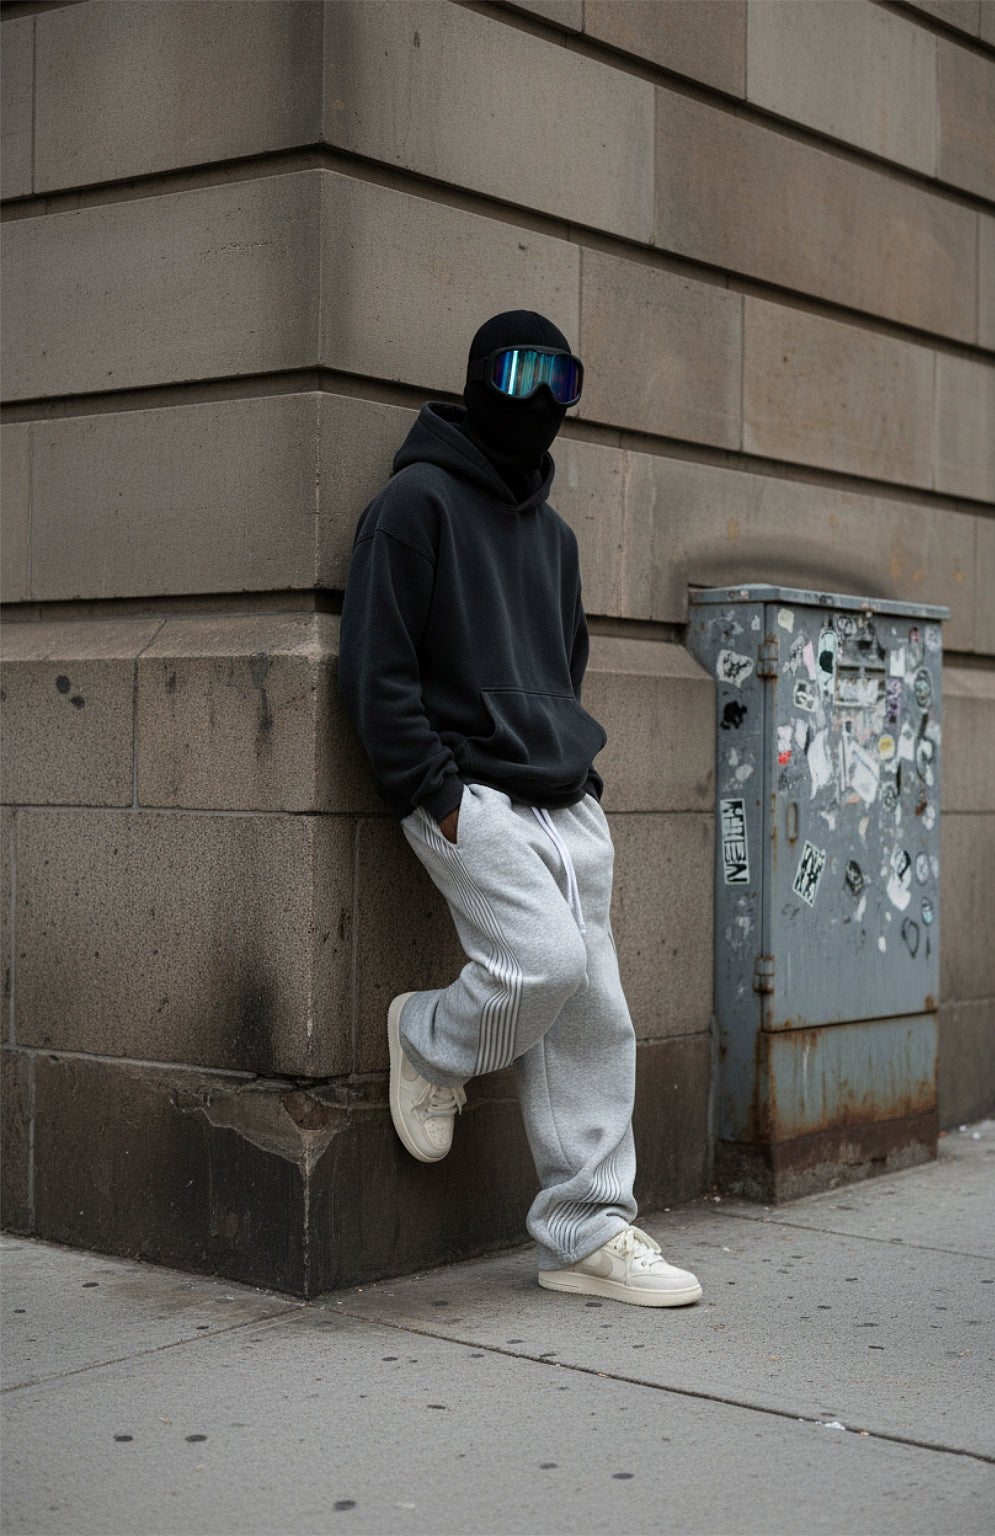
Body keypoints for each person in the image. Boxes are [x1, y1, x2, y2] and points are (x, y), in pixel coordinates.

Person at [336, 309, 702, 1308]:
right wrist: (437, 794)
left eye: (563, 380)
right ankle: (430, 1039)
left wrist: (577, 782)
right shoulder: (412, 506)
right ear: (478, 379)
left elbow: (561, 673)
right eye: (522, 373)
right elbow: (374, 671)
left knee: (598, 1014)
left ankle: (588, 1233)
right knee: (542, 963)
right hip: (466, 794)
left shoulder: (556, 539)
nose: (541, 397)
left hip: (563, 798)